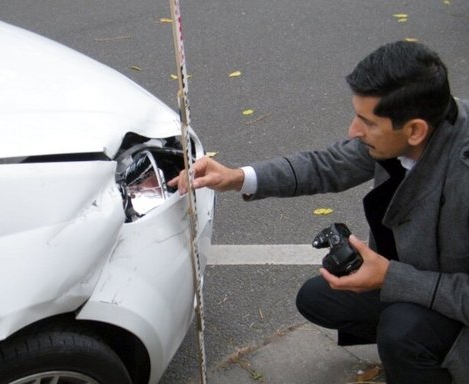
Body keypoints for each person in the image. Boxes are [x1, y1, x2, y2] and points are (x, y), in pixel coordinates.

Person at [169, 41, 469, 384]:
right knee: (319, 298)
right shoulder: (419, 124)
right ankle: (414, 343)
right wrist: (237, 178)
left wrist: (391, 278)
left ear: (415, 130)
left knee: (401, 332)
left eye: (367, 122)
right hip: (419, 276)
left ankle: (425, 355)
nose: (353, 131)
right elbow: (327, 165)